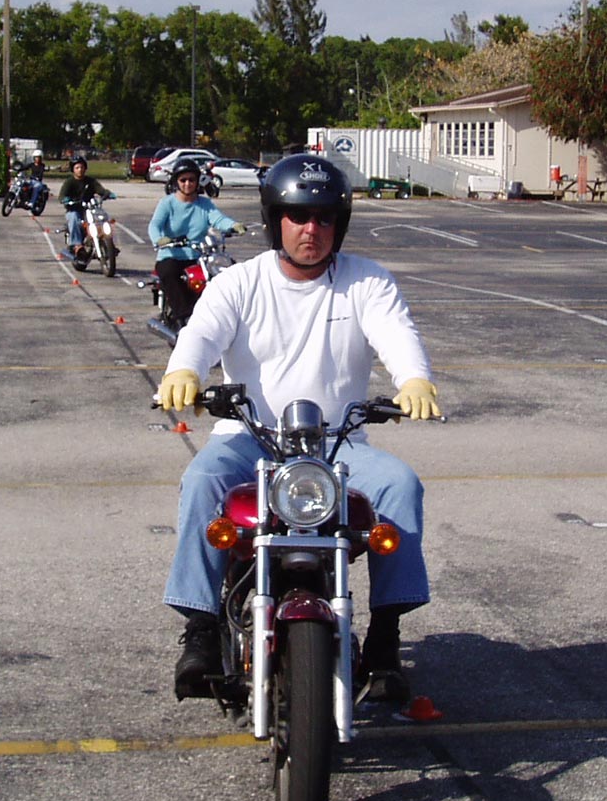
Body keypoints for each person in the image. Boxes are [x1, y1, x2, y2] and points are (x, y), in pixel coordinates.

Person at [155, 154, 441, 705]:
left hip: (338, 445)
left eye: (325, 217)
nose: (312, 229)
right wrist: (184, 371)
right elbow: (201, 333)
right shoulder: (239, 282)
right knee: (202, 481)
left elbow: (396, 332)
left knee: (400, 485)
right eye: (299, 216)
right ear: (274, 220)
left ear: (340, 223)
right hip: (248, 439)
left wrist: (414, 378)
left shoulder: (367, 281)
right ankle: (201, 627)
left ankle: (385, 635)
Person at [147, 158, 246, 330]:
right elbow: (154, 225)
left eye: (191, 180)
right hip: (171, 255)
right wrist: (160, 239)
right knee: (169, 272)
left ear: (197, 181)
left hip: (198, 256)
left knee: (226, 272)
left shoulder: (205, 204)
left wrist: (234, 225)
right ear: (176, 182)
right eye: (183, 180)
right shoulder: (167, 203)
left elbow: (218, 219)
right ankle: (183, 318)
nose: (187, 184)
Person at [57, 156, 114, 259]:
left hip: (89, 209)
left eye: (82, 167)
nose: (80, 170)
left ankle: (108, 242)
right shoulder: (69, 182)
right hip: (74, 209)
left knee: (103, 217)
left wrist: (107, 194)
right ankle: (77, 245)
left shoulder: (90, 181)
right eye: (77, 168)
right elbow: (62, 196)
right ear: (73, 169)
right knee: (74, 218)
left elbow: (100, 190)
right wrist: (66, 199)